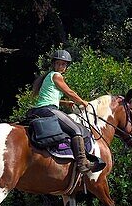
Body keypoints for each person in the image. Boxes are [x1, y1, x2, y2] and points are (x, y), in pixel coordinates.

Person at [28, 49, 92, 177]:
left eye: (63, 64)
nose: (60, 66)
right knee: (76, 130)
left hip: (42, 109)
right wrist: (83, 102)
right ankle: (82, 163)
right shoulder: (57, 76)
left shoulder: (49, 76)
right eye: (58, 63)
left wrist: (64, 103)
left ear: (66, 66)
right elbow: (70, 92)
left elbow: (49, 97)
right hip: (49, 109)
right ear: (54, 64)